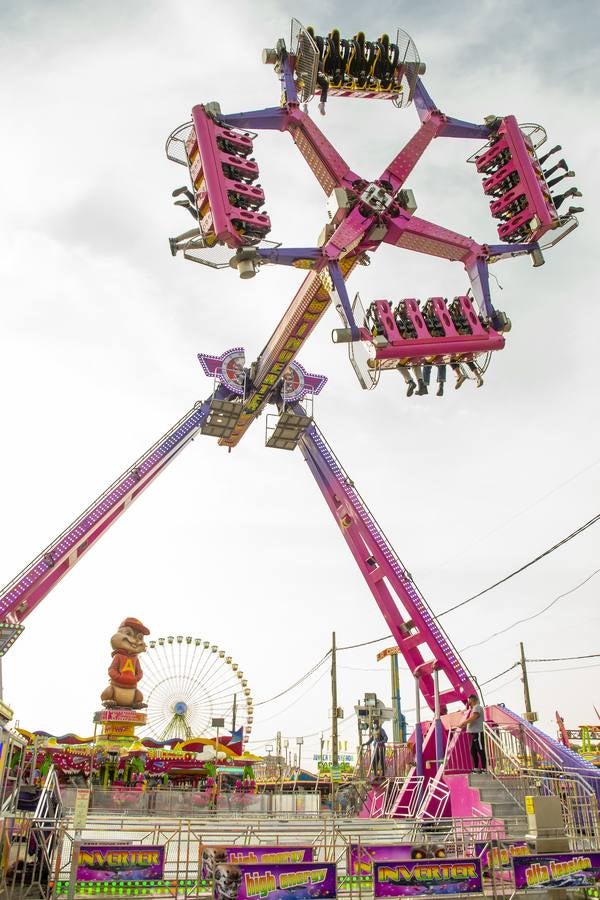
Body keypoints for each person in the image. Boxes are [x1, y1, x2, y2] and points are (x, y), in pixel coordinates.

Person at [460, 693, 486, 773]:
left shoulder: (477, 707)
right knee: (473, 751)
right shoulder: (474, 708)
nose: (468, 702)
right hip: (474, 733)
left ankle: (484, 769)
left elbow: (474, 717)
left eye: (469, 700)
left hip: (478, 732)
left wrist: (464, 723)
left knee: (480, 750)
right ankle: (476, 768)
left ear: (472, 699)